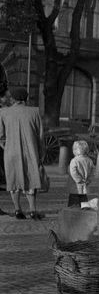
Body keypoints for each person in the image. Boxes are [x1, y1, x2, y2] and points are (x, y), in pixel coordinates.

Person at [0, 87, 45, 219]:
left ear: (13, 99)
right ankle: (32, 210)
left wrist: (7, 147)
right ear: (26, 98)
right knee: (31, 180)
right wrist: (41, 154)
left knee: (13, 180)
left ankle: (17, 210)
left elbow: (1, 136)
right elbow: (40, 136)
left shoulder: (3, 112)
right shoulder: (34, 111)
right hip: (31, 151)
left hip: (11, 152)